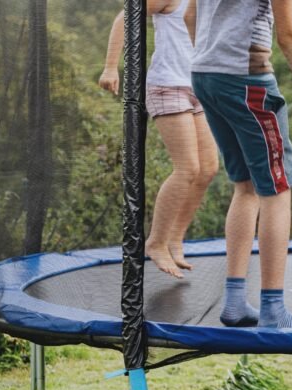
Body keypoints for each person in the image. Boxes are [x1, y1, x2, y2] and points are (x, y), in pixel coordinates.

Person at [185, 0, 292, 328]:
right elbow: (289, 36)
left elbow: (190, 16)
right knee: (278, 187)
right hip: (247, 80)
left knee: (245, 186)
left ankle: (234, 302)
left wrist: (214, 58)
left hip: (205, 74)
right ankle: (273, 308)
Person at [99, 0, 219, 279]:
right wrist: (110, 67)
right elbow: (126, 17)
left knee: (209, 167)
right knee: (187, 168)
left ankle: (175, 238)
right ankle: (155, 242)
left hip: (199, 85)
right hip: (168, 86)